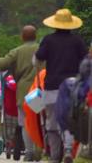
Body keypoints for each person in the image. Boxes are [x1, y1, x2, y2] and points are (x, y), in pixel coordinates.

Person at [35, 9, 86, 163]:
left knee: (51, 121)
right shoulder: (77, 41)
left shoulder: (48, 40)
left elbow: (37, 60)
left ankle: (54, 155)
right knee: (68, 119)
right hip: (71, 87)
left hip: (51, 86)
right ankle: (69, 150)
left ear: (54, 24)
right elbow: (85, 63)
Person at [0, 25, 39, 161]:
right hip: (40, 88)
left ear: (22, 37)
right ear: (36, 36)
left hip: (24, 91)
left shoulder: (17, 51)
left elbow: (1, 65)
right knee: (40, 121)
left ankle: (30, 152)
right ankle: (40, 151)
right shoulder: (42, 49)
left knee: (26, 122)